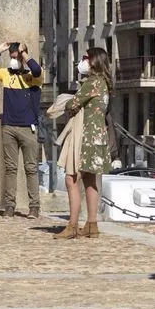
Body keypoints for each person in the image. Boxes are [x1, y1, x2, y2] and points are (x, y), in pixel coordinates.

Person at [55, 48, 112, 240]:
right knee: (90, 180)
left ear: (95, 61)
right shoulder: (104, 82)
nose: (82, 61)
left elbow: (74, 104)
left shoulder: (92, 82)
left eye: (85, 58)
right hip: (99, 137)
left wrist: (66, 101)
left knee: (72, 178)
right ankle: (92, 225)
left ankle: (72, 225)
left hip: (86, 136)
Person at [0, 41, 43, 219]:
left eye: (16, 56)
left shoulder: (34, 76)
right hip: (8, 126)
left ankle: (34, 207)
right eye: (12, 56)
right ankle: (9, 206)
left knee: (31, 168)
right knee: (10, 168)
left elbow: (37, 70)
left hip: (28, 127)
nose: (13, 59)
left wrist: (25, 55)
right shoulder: (6, 74)